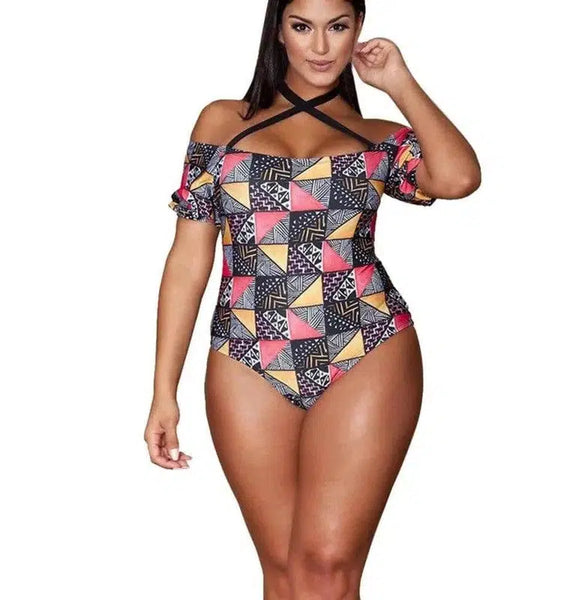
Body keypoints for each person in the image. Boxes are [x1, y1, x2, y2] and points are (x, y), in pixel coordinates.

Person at [145, 0, 480, 597]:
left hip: (365, 344)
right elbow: (189, 261)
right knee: (283, 573)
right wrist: (162, 391)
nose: (320, 47)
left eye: (338, 27)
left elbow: (458, 178)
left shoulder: (377, 138)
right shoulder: (222, 124)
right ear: (279, 31)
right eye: (302, 27)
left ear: (358, 29)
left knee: (327, 569)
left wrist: (399, 82)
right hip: (247, 352)